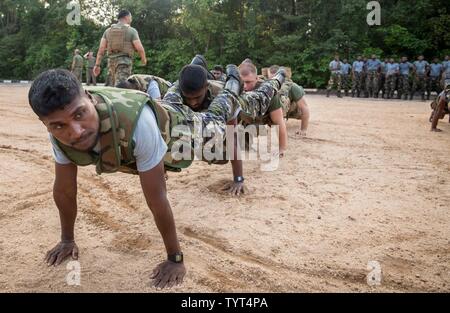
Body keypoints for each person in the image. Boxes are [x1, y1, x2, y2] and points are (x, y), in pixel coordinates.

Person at [27, 66, 285, 288]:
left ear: (88, 97)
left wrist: (175, 259)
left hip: (187, 128)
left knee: (225, 107)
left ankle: (237, 79)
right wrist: (67, 239)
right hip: (166, 109)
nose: (75, 132)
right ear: (46, 124)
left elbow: (157, 198)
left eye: (79, 114)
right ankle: (201, 66)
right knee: (171, 97)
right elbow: (64, 191)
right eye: (59, 125)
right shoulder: (58, 130)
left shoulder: (138, 123)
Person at [239, 61, 288, 156]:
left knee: (274, 119)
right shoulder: (234, 88)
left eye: (248, 82)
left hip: (264, 115)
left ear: (257, 79)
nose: (245, 86)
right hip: (247, 114)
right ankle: (244, 141)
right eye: (242, 82)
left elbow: (279, 122)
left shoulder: (268, 93)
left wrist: (281, 148)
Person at [94, 10, 147, 87]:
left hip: (111, 63)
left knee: (110, 88)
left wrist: (97, 65)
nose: (131, 19)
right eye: (130, 17)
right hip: (124, 63)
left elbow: (101, 49)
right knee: (121, 88)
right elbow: (140, 48)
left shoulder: (108, 31)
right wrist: (143, 59)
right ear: (126, 17)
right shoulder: (131, 31)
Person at [268, 65, 310, 137]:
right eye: (270, 79)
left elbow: (304, 108)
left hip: (293, 110)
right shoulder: (266, 85)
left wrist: (303, 130)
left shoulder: (292, 86)